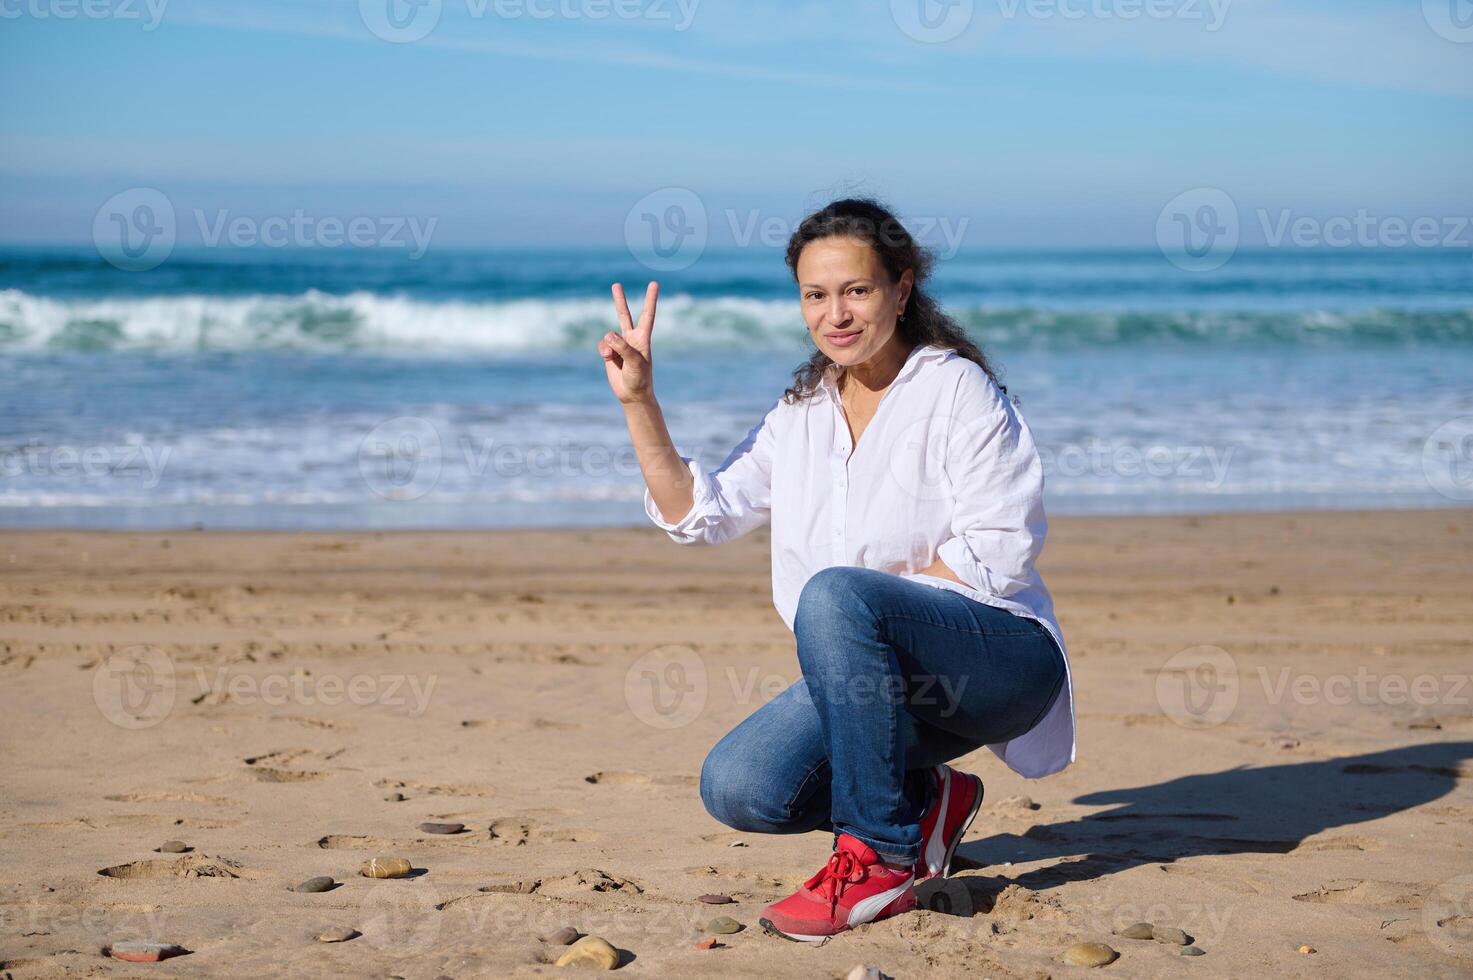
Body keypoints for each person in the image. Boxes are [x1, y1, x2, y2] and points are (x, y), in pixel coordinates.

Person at [597, 197, 1073, 942]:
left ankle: (880, 854)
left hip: (999, 663)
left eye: (856, 290)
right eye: (815, 295)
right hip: (875, 688)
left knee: (835, 595)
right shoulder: (801, 411)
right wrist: (639, 401)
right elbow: (702, 516)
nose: (835, 313)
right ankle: (924, 801)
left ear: (901, 288)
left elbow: (1002, 544)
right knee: (740, 788)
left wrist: (864, 616)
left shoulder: (955, 390)